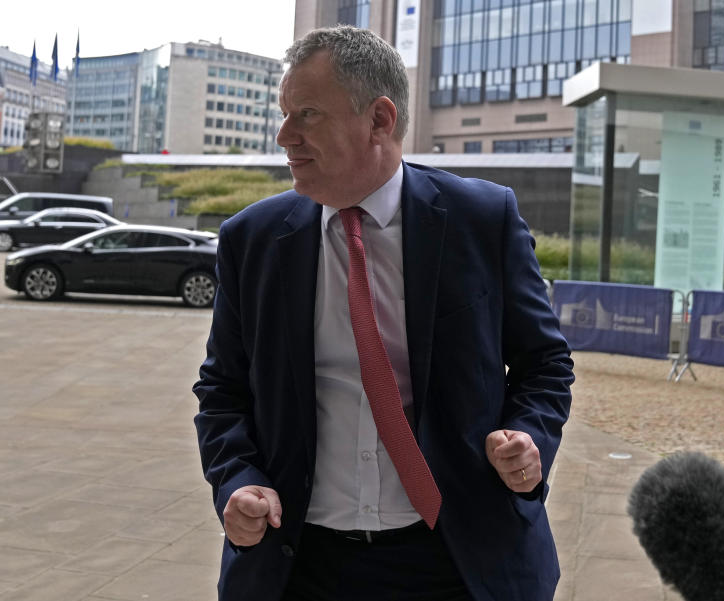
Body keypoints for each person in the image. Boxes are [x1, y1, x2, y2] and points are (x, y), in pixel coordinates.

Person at [193, 25, 574, 601]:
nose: (284, 135)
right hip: (299, 564)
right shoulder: (251, 239)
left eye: (308, 115)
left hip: (459, 560)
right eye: (284, 114)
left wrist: (529, 437)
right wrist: (237, 480)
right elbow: (222, 389)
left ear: (379, 119)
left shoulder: (481, 219)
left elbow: (544, 364)